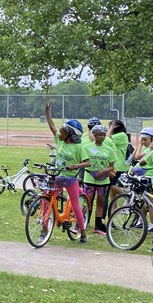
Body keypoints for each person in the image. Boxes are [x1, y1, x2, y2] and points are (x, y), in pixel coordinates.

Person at [44, 100, 91, 242]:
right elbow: (51, 125)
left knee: (75, 206)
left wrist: (76, 166)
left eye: (62, 131)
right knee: (46, 199)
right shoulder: (60, 141)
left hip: (70, 179)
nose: (59, 133)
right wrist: (47, 112)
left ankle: (83, 232)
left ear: (70, 134)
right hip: (57, 177)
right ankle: (44, 228)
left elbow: (88, 162)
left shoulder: (78, 147)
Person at [82, 124, 117, 236]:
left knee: (101, 202)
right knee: (87, 201)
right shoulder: (86, 148)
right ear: (94, 135)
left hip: (103, 179)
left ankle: (98, 226)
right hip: (89, 177)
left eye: (104, 135)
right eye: (99, 135)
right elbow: (84, 162)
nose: (102, 137)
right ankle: (82, 223)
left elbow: (112, 166)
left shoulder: (109, 149)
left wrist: (105, 170)